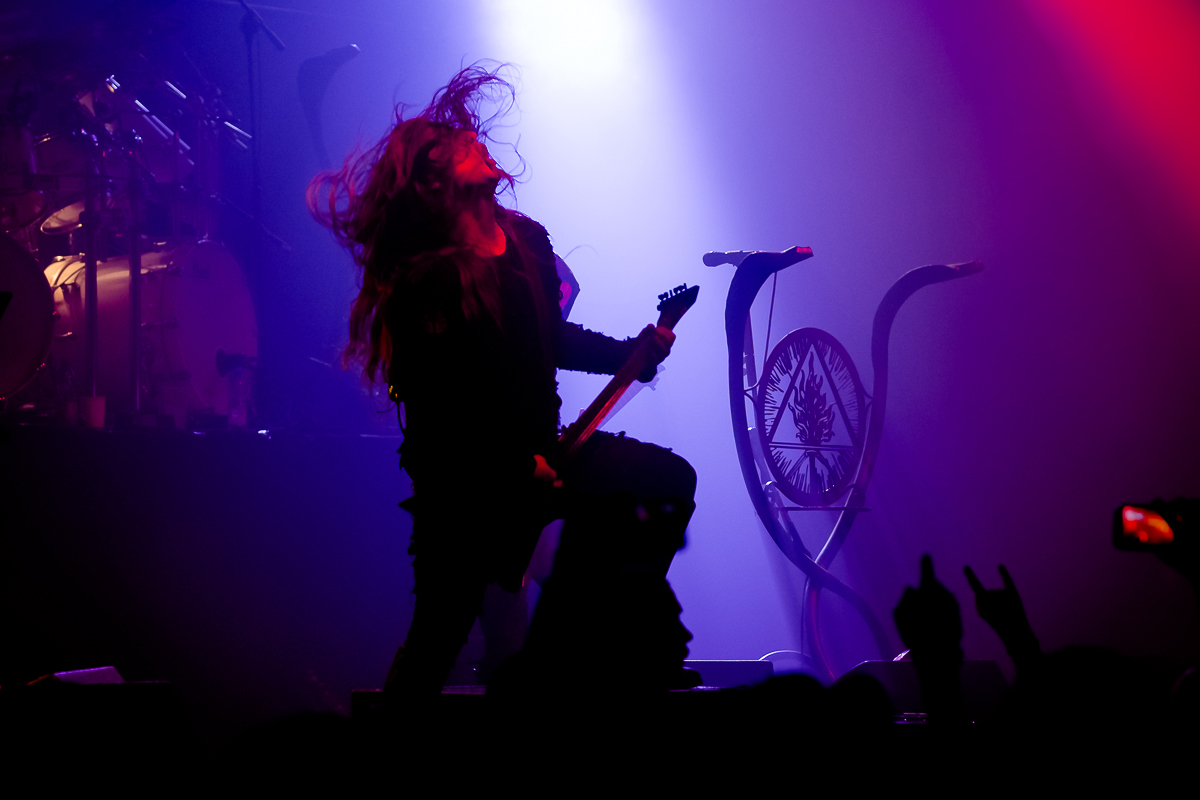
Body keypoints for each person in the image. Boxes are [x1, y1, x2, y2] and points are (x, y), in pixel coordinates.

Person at [309, 65, 698, 698]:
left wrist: (633, 353)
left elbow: (552, 339)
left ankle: (619, 645)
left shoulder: (526, 241)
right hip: (465, 484)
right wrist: (511, 468)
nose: (475, 139)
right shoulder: (426, 281)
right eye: (455, 145)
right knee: (438, 637)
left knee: (667, 479)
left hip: (550, 454)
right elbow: (439, 408)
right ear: (433, 180)